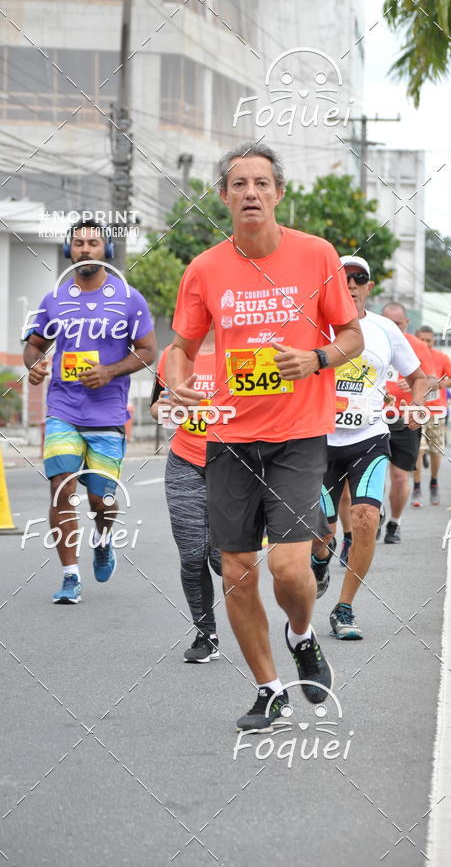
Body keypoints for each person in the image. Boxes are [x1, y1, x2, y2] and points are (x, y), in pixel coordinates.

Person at [166, 141, 363, 732]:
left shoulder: (316, 255)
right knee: (235, 570)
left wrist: (317, 357)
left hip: (298, 436)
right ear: (223, 196)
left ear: (278, 193)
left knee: (290, 571)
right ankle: (269, 688)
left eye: (261, 183)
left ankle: (301, 634)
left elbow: (352, 336)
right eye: (238, 184)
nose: (250, 192)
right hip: (227, 439)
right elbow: (180, 347)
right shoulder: (204, 269)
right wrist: (178, 384)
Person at [23, 218, 156, 603]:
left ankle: (102, 538)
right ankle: (69, 576)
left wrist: (110, 371)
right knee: (60, 488)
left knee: (102, 500)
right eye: (77, 243)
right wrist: (34, 366)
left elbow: (149, 351)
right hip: (62, 408)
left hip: (108, 414)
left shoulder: (129, 299)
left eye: (92, 243)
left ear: (106, 251)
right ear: (69, 251)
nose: (84, 248)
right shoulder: (55, 299)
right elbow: (34, 345)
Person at [310, 257, 427, 639]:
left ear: (369, 287)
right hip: (318, 440)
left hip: (369, 438)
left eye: (359, 278)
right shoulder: (313, 324)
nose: (351, 283)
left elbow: (418, 376)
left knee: (364, 521)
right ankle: (319, 560)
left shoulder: (384, 330)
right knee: (321, 530)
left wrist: (417, 403)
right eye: (343, 278)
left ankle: (344, 608)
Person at [149, 334, 222, 664]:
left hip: (233, 462)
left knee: (225, 561)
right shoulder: (174, 354)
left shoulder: (242, 349)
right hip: (184, 460)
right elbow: (156, 404)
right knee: (192, 555)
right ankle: (206, 634)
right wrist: (163, 407)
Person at [381, 302, 434, 542]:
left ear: (407, 323)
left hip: (405, 419)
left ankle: (394, 522)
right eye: (388, 323)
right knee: (370, 473)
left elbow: (432, 379)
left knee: (400, 476)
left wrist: (415, 386)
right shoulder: (369, 338)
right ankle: (373, 511)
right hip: (373, 418)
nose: (392, 328)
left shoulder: (418, 346)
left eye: (398, 324)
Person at [411, 326, 451, 506]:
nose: (424, 344)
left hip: (437, 410)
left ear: (433, 341)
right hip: (416, 409)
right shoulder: (411, 357)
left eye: (428, 340)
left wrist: (441, 384)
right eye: (421, 340)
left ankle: (434, 482)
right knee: (418, 449)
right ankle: (416, 487)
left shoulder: (441, 357)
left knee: (435, 450)